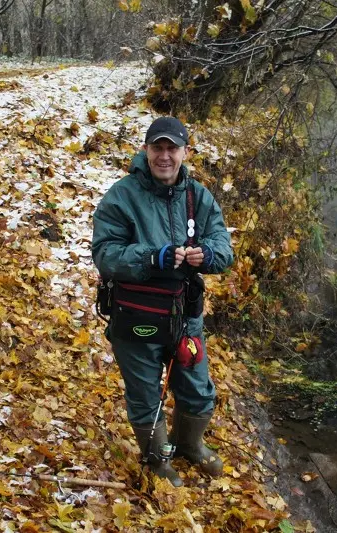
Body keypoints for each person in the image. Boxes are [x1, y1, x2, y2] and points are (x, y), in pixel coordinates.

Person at [92, 117, 234, 486]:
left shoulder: (198, 196)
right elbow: (105, 254)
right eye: (158, 147)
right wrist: (152, 258)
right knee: (144, 393)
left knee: (198, 387)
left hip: (185, 315)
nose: (165, 156)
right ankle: (156, 460)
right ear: (146, 150)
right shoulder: (121, 196)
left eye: (172, 148)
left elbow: (223, 246)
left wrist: (208, 254)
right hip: (135, 312)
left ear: (185, 152)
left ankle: (189, 445)